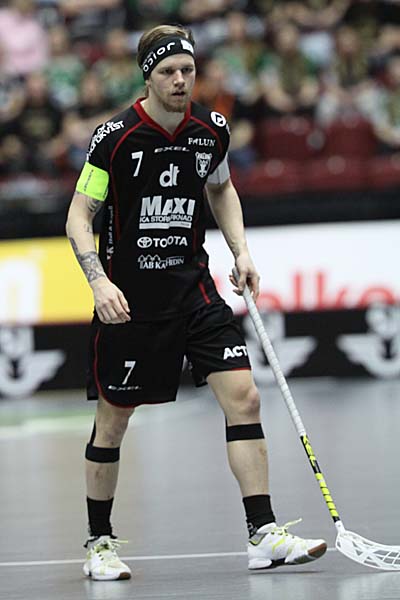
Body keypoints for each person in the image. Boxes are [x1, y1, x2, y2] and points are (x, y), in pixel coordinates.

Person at [65, 23, 327, 581]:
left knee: (245, 399)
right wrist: (99, 283)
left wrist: (242, 251)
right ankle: (99, 543)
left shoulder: (211, 130)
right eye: (168, 72)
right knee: (112, 423)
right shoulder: (113, 138)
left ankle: (263, 534)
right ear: (148, 77)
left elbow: (221, 188)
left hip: (195, 292)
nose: (181, 80)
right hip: (131, 302)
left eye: (187, 70)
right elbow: (79, 216)